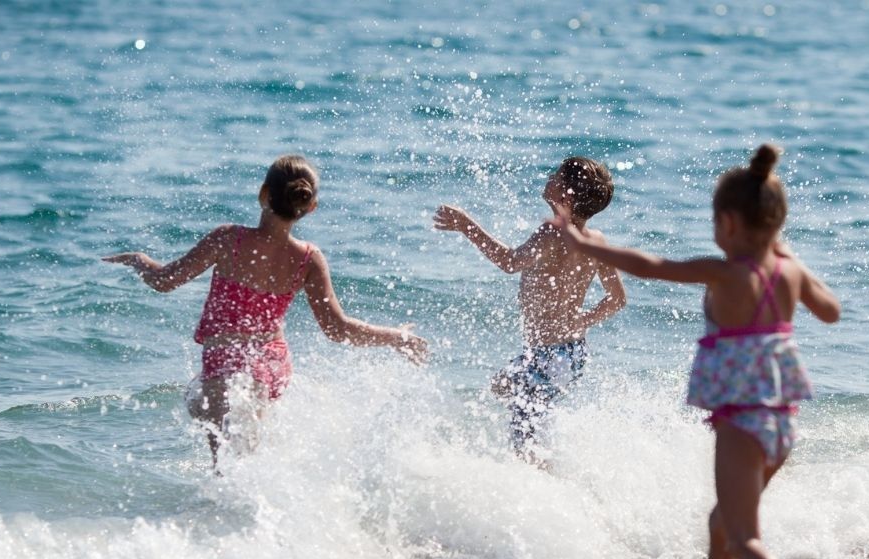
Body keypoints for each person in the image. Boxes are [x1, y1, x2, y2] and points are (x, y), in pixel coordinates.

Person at [550, 144, 840, 559]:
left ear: (728, 223)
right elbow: (831, 310)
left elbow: (652, 267)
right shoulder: (788, 271)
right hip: (781, 422)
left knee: (744, 536)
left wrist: (584, 244)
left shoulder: (729, 273)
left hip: (741, 421)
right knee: (721, 523)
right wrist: (789, 256)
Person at [104, 155, 427, 460]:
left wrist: (140, 261)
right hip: (271, 364)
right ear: (310, 207)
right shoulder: (308, 259)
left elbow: (165, 281)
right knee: (245, 458)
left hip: (225, 359)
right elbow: (337, 328)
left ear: (263, 193)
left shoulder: (228, 239)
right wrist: (397, 337)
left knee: (225, 461)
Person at [433, 157, 626, 463]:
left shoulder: (552, 233)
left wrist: (465, 226)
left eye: (556, 175)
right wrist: (581, 321)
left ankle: (546, 492)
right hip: (571, 353)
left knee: (525, 444)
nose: (549, 176)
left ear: (566, 197)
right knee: (502, 389)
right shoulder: (597, 239)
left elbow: (509, 262)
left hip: (548, 356)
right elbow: (617, 299)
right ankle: (555, 464)